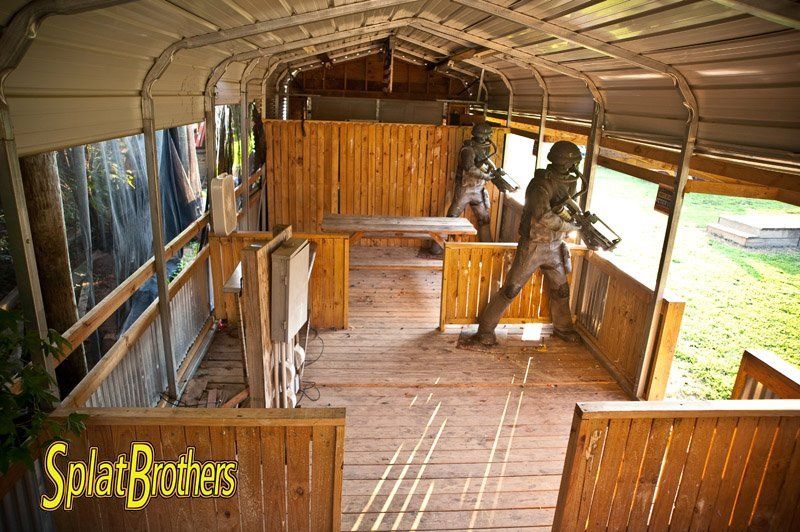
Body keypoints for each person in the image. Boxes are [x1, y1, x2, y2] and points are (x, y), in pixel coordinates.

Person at [468, 140, 585, 345]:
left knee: (561, 291)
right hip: (533, 245)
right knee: (511, 289)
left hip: (555, 245)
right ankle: (485, 330)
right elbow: (544, 215)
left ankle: (563, 327)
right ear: (567, 163)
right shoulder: (540, 185)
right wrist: (570, 227)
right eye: (574, 163)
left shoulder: (567, 182)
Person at [431, 122, 494, 254]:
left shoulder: (483, 148)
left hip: (478, 189)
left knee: (484, 219)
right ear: (483, 135)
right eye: (488, 135)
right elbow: (469, 168)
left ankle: (489, 249)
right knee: (452, 218)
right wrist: (485, 176)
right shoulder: (468, 150)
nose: (489, 138)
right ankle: (436, 247)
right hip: (465, 189)